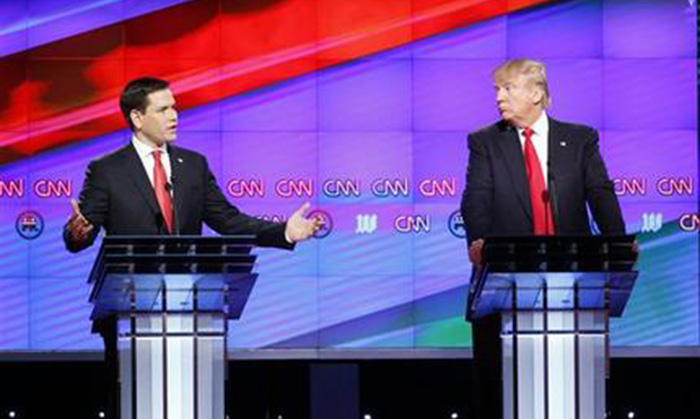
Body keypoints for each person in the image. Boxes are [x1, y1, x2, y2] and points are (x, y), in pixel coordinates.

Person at [63, 76, 323, 417]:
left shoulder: (193, 165)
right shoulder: (107, 170)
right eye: (164, 109)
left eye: (175, 108)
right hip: (129, 311)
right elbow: (81, 233)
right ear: (137, 118)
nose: (174, 116)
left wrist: (283, 233)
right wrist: (78, 231)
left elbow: (228, 221)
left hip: (192, 310)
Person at [460, 59, 626, 419]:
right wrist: (479, 243)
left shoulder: (580, 139)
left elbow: (600, 193)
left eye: (507, 88)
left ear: (536, 94)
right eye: (497, 90)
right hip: (505, 285)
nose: (499, 98)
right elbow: (476, 198)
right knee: (503, 396)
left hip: (573, 286)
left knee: (573, 395)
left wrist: (617, 245)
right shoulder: (485, 142)